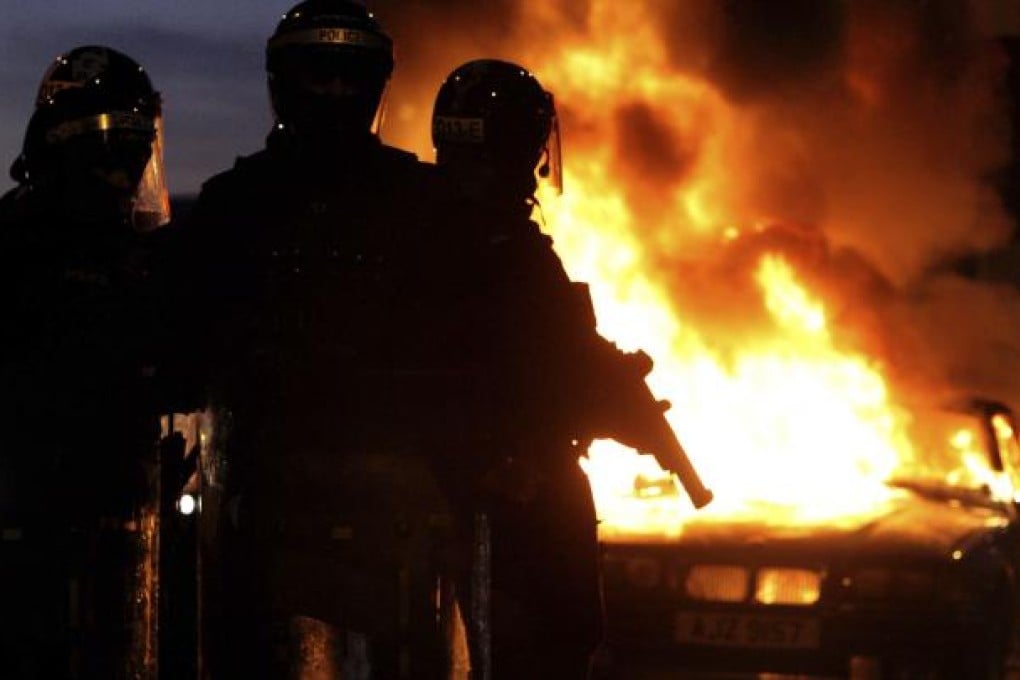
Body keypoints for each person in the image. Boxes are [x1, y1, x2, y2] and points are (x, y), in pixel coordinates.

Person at [175, 2, 467, 677]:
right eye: (321, 76)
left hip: (398, 515)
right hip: (269, 508)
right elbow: (180, 341)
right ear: (285, 80)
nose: (336, 93)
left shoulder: (428, 203)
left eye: (351, 78)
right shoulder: (233, 204)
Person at [432, 59, 713, 680]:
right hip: (508, 491)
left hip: (445, 479)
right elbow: (551, 369)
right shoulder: (509, 251)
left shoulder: (418, 226)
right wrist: (621, 407)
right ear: (525, 147)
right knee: (561, 630)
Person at [0, 45, 171, 678]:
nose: (125, 170)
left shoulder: (146, 260)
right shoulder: (18, 248)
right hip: (28, 521)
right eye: (110, 146)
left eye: (136, 145)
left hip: (123, 523)